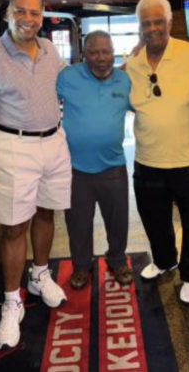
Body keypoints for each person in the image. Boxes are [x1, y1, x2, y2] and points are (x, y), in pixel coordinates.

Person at [0, 0, 72, 349]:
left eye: (35, 13)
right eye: (21, 12)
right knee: (13, 227)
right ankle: (12, 301)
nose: (28, 19)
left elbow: (67, 86)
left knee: (46, 213)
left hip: (53, 141)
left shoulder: (50, 49)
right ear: (8, 14)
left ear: (43, 16)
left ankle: (40, 275)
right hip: (12, 144)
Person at [127, 0, 189, 305]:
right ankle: (164, 261)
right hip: (147, 158)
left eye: (158, 21)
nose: (153, 28)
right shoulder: (133, 61)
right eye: (146, 23)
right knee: (153, 218)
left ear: (170, 22)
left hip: (188, 158)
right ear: (140, 27)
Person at [56, 30, 133, 289]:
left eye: (106, 51)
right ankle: (80, 266)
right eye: (94, 52)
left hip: (113, 166)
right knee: (77, 224)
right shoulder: (67, 77)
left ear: (114, 53)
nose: (101, 58)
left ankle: (118, 260)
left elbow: (150, 107)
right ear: (83, 55)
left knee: (118, 221)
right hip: (75, 169)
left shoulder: (125, 80)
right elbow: (42, 104)